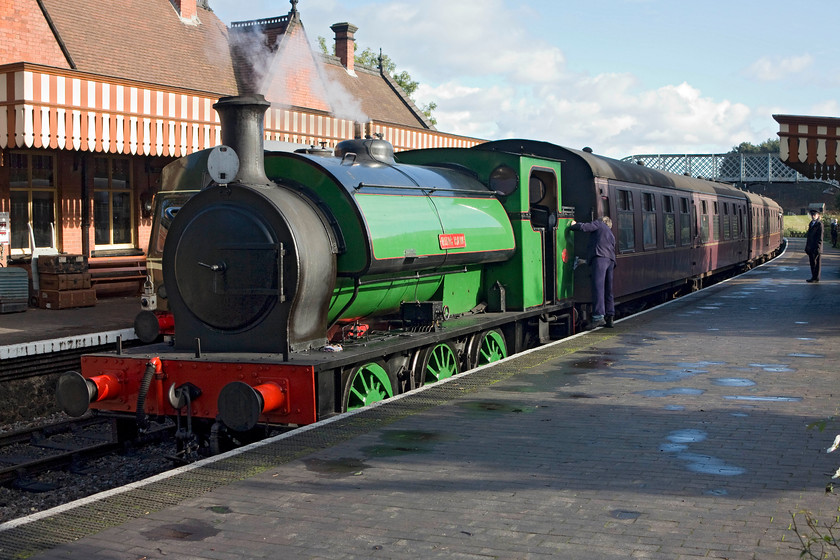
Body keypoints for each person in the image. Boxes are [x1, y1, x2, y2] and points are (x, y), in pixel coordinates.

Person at [569, 216, 616, 327]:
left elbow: (586, 227)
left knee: (598, 287)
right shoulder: (610, 234)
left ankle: (598, 317)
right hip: (611, 261)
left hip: (600, 259)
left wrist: (573, 225)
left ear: (603, 221)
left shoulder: (599, 224)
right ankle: (610, 317)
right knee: (608, 289)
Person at [805, 209, 823, 283]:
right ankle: (813, 277)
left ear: (818, 215)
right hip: (810, 247)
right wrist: (807, 247)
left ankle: (816, 278)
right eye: (812, 215)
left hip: (816, 247)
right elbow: (809, 237)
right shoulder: (811, 223)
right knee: (812, 263)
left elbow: (820, 237)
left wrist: (818, 248)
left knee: (817, 263)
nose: (813, 216)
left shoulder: (819, 224)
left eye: (814, 215)